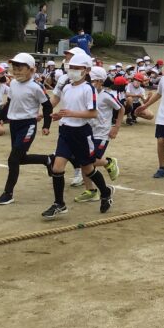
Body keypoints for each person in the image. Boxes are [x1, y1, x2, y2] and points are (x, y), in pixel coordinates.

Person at [43, 50, 112, 220]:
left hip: (81, 134)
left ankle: (105, 192)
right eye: (71, 67)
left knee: (88, 168)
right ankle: (59, 203)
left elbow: (93, 113)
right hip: (65, 132)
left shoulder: (89, 89)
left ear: (86, 70)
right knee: (57, 168)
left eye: (77, 68)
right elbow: (67, 109)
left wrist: (70, 113)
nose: (72, 70)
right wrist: (59, 115)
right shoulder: (66, 87)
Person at [0, 53, 55, 206]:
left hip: (28, 125)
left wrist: (46, 125)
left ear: (31, 70)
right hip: (14, 124)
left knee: (13, 159)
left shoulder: (36, 87)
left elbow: (47, 106)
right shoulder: (13, 84)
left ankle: (8, 193)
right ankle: (47, 159)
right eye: (14, 68)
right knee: (20, 158)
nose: (16, 71)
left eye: (20, 68)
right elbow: (9, 104)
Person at [73, 66, 124, 201]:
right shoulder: (86, 94)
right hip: (87, 132)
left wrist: (116, 127)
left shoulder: (106, 96)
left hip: (102, 134)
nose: (89, 83)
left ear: (100, 81)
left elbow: (121, 109)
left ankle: (109, 162)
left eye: (92, 80)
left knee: (90, 160)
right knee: (84, 162)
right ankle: (90, 191)